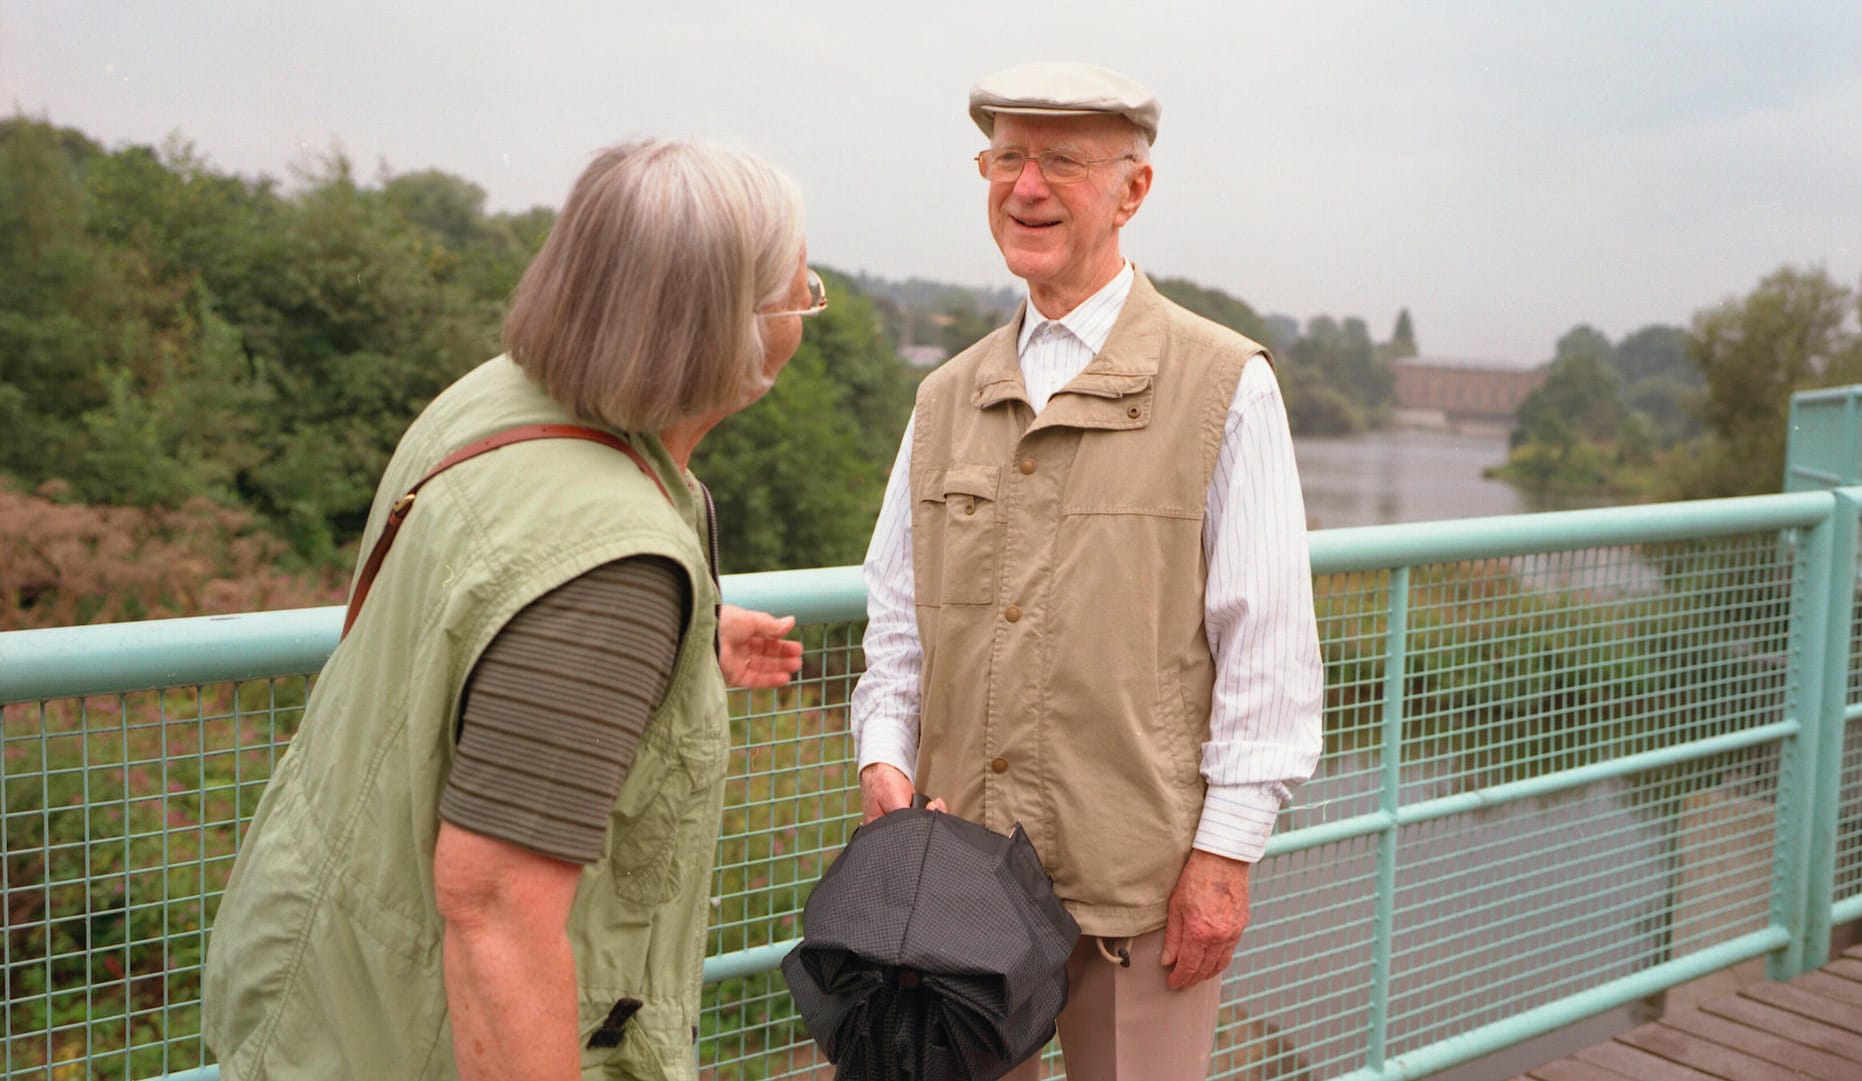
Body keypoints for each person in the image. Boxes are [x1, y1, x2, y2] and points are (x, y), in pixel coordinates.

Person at [205, 139, 817, 1080]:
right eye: (798, 287)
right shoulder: (605, 573)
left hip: (321, 986)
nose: (809, 302)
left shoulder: (491, 402)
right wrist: (614, 626)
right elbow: (495, 911)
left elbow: (484, 625)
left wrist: (676, 642)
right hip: (413, 1044)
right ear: (721, 328)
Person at [849, 62, 1324, 1079]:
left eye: (1062, 162)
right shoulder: (943, 397)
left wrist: (1225, 857)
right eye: (1007, 158)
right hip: (954, 881)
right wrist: (883, 750)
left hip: (1138, 888)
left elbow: (1268, 642)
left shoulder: (1222, 384)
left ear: (1133, 191)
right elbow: (897, 613)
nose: (1026, 186)